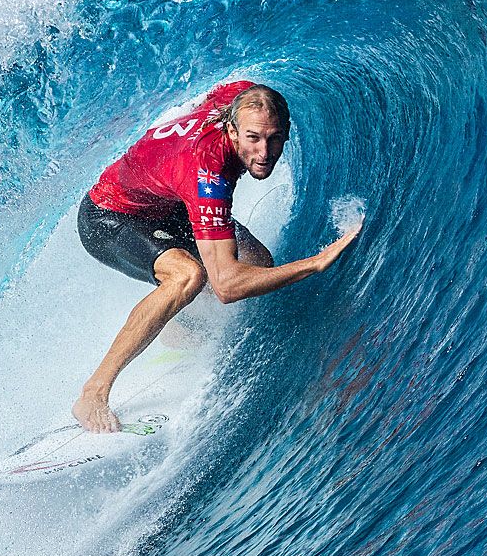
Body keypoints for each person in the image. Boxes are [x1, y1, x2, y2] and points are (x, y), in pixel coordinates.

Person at [73, 80, 362, 433]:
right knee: (189, 276)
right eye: (253, 138)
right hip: (110, 217)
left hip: (169, 203)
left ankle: (182, 330)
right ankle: (94, 392)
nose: (264, 152)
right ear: (232, 130)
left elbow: (225, 89)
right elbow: (227, 285)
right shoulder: (209, 174)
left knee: (257, 260)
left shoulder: (242, 100)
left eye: (274, 139)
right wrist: (314, 263)